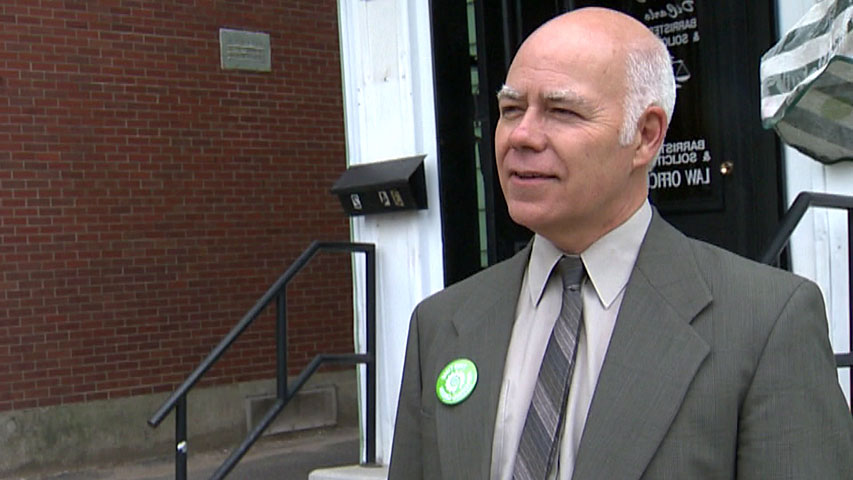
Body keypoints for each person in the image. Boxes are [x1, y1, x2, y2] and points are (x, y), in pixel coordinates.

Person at [388, 6, 853, 480]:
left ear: (646, 136)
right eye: (511, 110)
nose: (520, 136)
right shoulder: (440, 323)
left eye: (561, 111)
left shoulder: (765, 323)